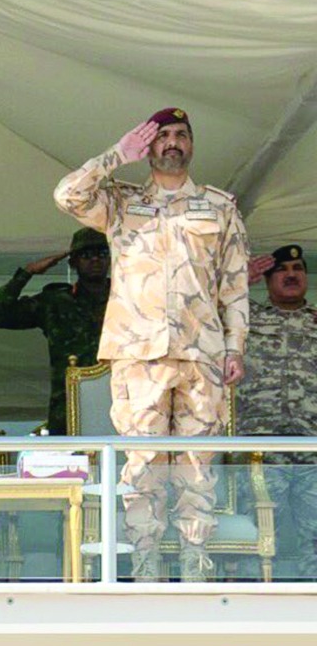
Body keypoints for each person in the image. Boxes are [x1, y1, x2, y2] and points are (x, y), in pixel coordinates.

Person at [54, 108, 248, 582]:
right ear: (149, 147)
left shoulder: (219, 207)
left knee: (197, 463)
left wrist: (235, 346)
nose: (172, 144)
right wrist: (116, 156)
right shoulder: (121, 202)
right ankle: (145, 563)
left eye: (181, 135)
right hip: (138, 353)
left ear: (192, 145)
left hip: (201, 352)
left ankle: (193, 561)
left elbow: (235, 284)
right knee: (142, 463)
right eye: (162, 137)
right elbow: (67, 195)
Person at [238, 244, 317, 578]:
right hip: (260, 446)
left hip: (312, 446)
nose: (291, 275)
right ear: (266, 280)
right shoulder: (245, 319)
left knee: (314, 533)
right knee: (256, 531)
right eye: (282, 270)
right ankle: (251, 599)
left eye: (297, 269)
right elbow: (199, 312)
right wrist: (239, 282)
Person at [0, 227, 110, 434]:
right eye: (86, 255)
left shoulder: (126, 300)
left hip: (120, 399)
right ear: (73, 262)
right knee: (70, 464)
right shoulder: (55, 302)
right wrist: (28, 272)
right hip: (68, 407)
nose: (95, 260)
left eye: (102, 254)